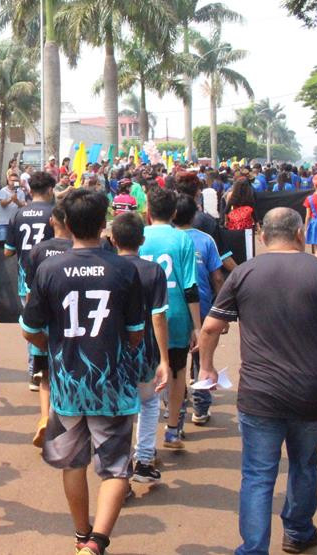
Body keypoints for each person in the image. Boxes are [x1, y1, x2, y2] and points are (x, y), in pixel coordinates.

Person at [198, 207, 317, 555]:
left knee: (258, 474)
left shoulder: (245, 273)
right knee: (305, 463)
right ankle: (298, 532)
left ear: (262, 236)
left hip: (260, 394)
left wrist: (207, 368)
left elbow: (212, 326)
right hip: (313, 391)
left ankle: (254, 549)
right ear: (301, 234)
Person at [21, 189, 145, 555]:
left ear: (66, 224)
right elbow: (136, 332)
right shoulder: (124, 269)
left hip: (68, 383)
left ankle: (81, 534)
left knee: (73, 462)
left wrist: (50, 348)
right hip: (113, 383)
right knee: (116, 467)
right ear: (104, 222)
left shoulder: (49, 269)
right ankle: (97, 542)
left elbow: (31, 328)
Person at [110, 212, 170, 487]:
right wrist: (164, 359)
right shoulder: (152, 270)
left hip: (112, 351)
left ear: (112, 239)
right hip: (144, 350)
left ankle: (119, 469)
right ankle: (144, 460)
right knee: (148, 403)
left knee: (119, 410)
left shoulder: (106, 267)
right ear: (142, 240)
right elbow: (158, 316)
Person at [140, 187, 200, 450]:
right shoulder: (183, 239)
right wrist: (198, 326)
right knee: (177, 372)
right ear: (175, 212)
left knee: (143, 374)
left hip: (141, 314)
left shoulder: (138, 234)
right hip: (175, 313)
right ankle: (173, 429)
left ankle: (144, 439)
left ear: (148, 212)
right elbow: (190, 286)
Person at [24, 197, 74, 446]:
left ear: (52, 220)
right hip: (70, 321)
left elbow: (31, 290)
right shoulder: (77, 250)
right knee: (70, 371)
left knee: (45, 374)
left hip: (44, 321)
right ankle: (66, 419)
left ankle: (45, 417)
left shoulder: (38, 250)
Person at [172, 194, 224, 427]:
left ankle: (176, 412)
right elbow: (217, 277)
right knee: (201, 359)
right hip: (202, 308)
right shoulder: (206, 240)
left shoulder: (167, 240)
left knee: (176, 362)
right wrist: (221, 311)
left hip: (173, 308)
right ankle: (200, 409)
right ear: (194, 215)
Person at [4, 171, 56, 395]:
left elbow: (8, 251)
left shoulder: (18, 214)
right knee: (54, 321)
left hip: (27, 278)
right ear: (50, 190)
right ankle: (52, 370)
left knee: (31, 322)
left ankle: (34, 371)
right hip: (53, 275)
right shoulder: (55, 214)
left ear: (30, 190)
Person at [0, 171, 27, 242]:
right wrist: (11, 198)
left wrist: (16, 201)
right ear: (8, 181)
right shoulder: (3, 191)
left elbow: (23, 205)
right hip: (4, 223)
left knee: (16, 243)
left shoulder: (20, 192)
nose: (14, 182)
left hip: (16, 223)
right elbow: (2, 204)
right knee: (2, 243)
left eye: (16, 180)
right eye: (13, 180)